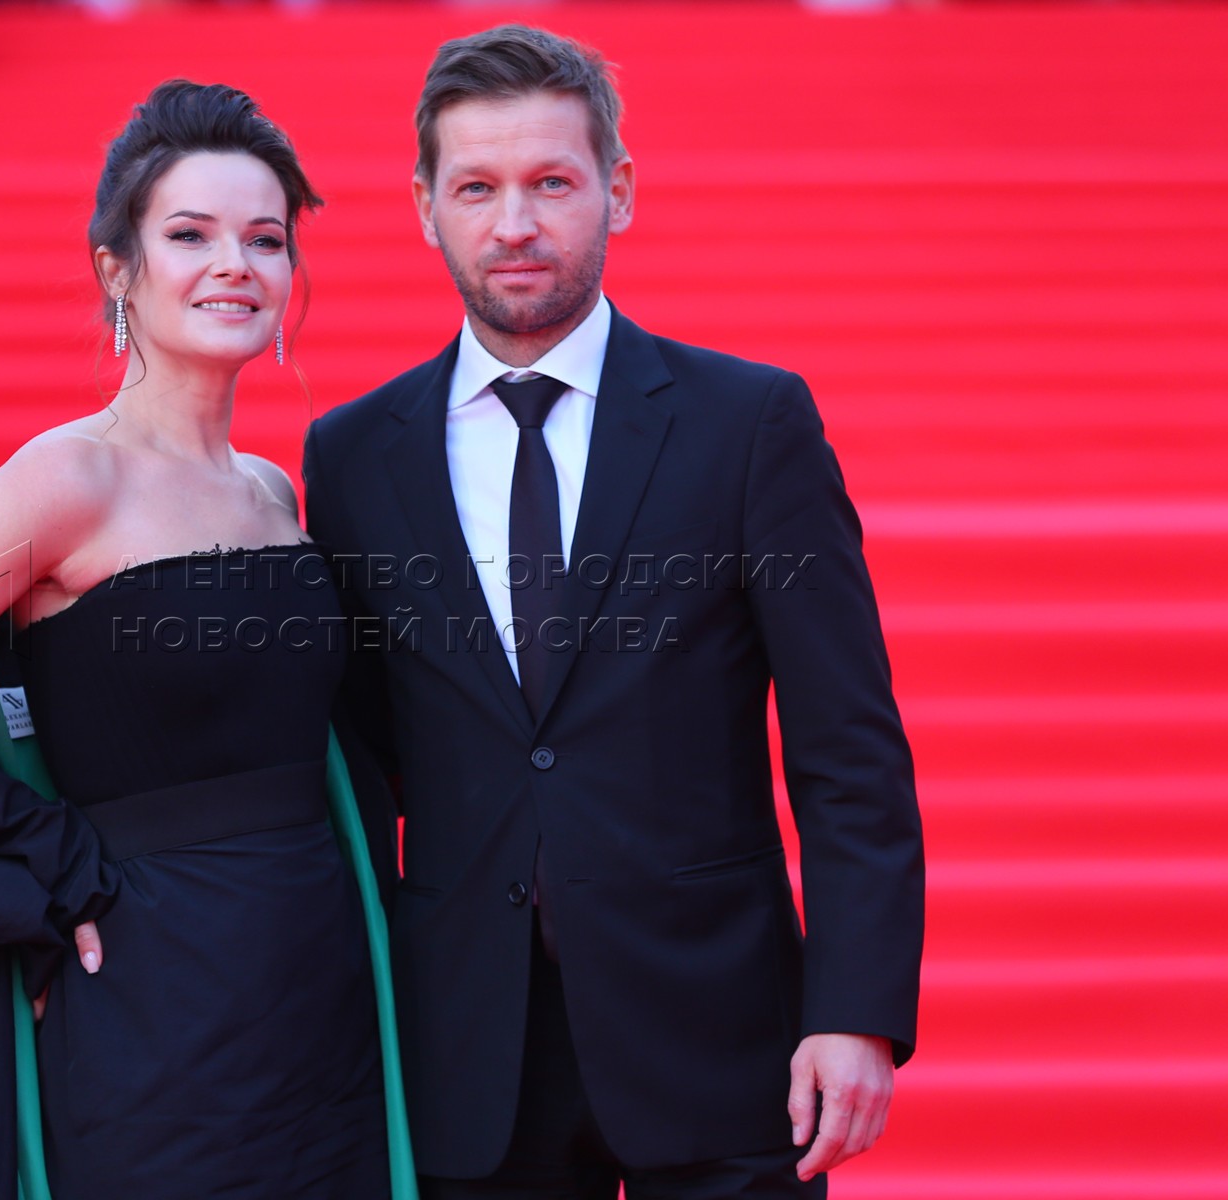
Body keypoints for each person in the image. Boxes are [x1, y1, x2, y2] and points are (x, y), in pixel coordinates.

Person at [302, 25, 925, 1200]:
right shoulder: (352, 456)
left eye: (552, 182)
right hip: (467, 1053)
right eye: (476, 188)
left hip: (722, 1038)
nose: (514, 224)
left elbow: (848, 748)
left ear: (618, 191)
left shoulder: (748, 424)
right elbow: (366, 755)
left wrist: (856, 1011)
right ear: (425, 207)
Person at [0, 81, 406, 1200]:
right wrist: (50, 865)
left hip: (323, 990)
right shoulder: (67, 481)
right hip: (153, 1001)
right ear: (118, 269)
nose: (235, 265)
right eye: (190, 235)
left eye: (265, 239)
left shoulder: (273, 492)